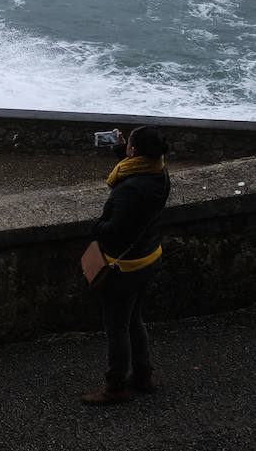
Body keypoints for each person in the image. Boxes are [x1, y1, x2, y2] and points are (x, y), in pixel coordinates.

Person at [82, 125, 171, 405]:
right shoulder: (160, 172)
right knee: (134, 319)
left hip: (125, 267)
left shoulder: (129, 188)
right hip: (149, 257)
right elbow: (138, 178)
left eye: (129, 142)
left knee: (117, 327)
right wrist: (122, 151)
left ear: (135, 150)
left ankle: (116, 386)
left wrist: (95, 227)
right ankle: (143, 375)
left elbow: (113, 230)